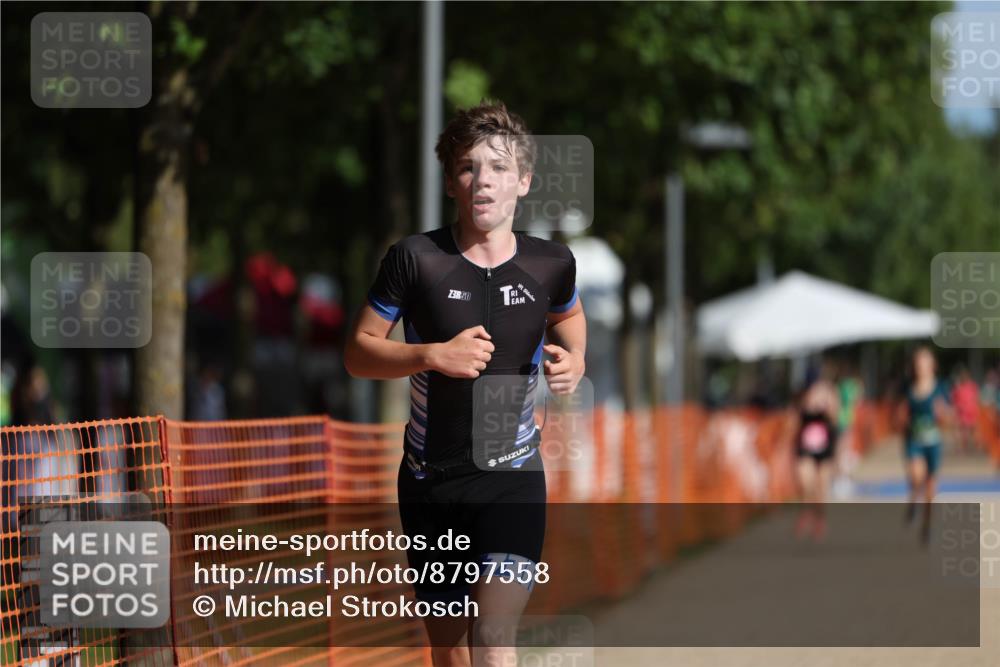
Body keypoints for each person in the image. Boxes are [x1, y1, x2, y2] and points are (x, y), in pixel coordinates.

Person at [344, 100, 586, 667]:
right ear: (452, 182)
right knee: (449, 651)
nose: (483, 180)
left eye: (498, 167)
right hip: (433, 482)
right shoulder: (416, 259)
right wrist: (432, 354)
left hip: (513, 478)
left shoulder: (551, 264)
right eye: (468, 167)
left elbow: (570, 318)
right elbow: (358, 353)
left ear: (523, 182)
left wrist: (575, 359)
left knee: (494, 636)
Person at [895, 345, 952, 545]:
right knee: (916, 476)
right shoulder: (908, 387)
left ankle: (927, 525)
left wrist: (942, 413)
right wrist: (902, 419)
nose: (921, 366)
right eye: (918, 362)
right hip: (914, 441)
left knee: (930, 489)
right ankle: (913, 502)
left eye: (925, 362)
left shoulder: (940, 387)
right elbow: (899, 415)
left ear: (932, 365)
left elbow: (948, 418)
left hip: (933, 443)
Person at [793, 362, 840, 541]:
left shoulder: (829, 392)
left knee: (821, 486)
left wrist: (827, 407)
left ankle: (820, 517)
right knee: (806, 482)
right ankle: (806, 510)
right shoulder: (803, 394)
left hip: (825, 447)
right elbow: (795, 417)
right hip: (805, 446)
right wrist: (807, 404)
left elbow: (836, 418)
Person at [950, 366, 979, 455]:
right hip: (962, 412)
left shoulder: (972, 386)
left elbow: (976, 397)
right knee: (962, 431)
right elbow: (953, 399)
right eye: (962, 376)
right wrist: (956, 408)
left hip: (971, 411)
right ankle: (962, 448)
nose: (963, 377)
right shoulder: (957, 387)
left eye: (965, 376)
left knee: (972, 431)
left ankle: (972, 446)